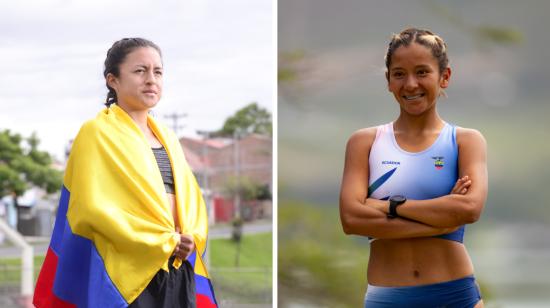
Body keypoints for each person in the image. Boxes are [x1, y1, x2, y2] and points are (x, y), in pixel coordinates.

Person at [34, 38, 217, 308]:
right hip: (126, 274)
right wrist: (155, 240)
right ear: (113, 80)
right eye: (140, 71)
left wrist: (192, 237)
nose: (151, 79)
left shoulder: (168, 137)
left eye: (158, 72)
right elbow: (91, 207)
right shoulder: (96, 133)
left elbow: (192, 201)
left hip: (176, 267)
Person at [339, 28, 487, 307]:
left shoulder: (465, 141)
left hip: (456, 296)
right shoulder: (365, 142)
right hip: (387, 298)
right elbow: (351, 219)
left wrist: (388, 206)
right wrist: (439, 220)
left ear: (444, 77)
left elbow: (469, 209)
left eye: (422, 72)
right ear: (388, 81)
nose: (410, 84)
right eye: (399, 74)